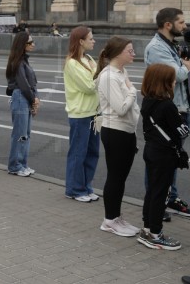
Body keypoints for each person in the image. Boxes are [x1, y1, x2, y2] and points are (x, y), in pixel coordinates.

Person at [144, 7, 190, 217]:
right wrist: (186, 66)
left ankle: (170, 198)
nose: (185, 26)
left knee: (173, 158)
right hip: (167, 110)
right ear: (168, 25)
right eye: (181, 22)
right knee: (160, 162)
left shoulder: (170, 45)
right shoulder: (156, 48)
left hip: (180, 106)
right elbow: (177, 75)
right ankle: (157, 204)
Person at [94, 36, 140, 237]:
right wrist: (132, 92)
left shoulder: (121, 71)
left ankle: (116, 216)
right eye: (130, 50)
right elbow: (121, 108)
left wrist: (130, 92)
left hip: (127, 131)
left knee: (120, 177)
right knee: (115, 176)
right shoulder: (109, 76)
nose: (133, 54)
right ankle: (109, 220)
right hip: (115, 131)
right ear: (118, 52)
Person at [139, 63, 186, 250]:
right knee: (161, 194)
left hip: (151, 150)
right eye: (172, 79)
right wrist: (182, 119)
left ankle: (147, 229)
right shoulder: (167, 106)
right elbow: (182, 131)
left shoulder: (148, 101)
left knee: (152, 191)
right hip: (164, 155)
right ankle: (156, 234)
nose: (175, 82)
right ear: (164, 82)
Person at [63, 26, 100, 202]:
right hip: (80, 114)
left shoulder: (90, 58)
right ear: (81, 41)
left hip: (95, 112)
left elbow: (96, 80)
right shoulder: (72, 63)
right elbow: (90, 86)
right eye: (91, 38)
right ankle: (75, 189)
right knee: (79, 153)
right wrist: (101, 77)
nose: (94, 41)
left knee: (92, 152)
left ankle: (86, 186)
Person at [5, 32, 39, 177]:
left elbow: (31, 83)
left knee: (26, 134)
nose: (33, 45)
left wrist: (35, 99)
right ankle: (14, 166)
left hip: (25, 97)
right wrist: (33, 100)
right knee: (20, 134)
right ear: (23, 45)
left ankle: (22, 164)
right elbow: (24, 85)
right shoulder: (18, 62)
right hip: (20, 97)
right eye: (30, 43)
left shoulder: (23, 61)